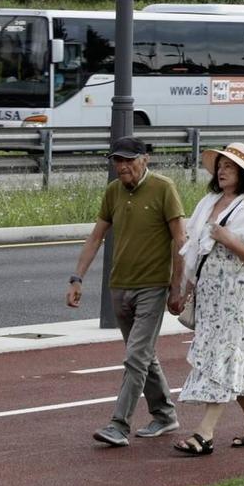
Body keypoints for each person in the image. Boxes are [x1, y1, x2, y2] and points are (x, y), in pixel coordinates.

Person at [66, 137, 187, 448]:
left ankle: (119, 424)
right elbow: (96, 237)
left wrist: (178, 287)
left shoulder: (164, 188)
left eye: (128, 160)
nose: (122, 166)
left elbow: (180, 241)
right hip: (120, 286)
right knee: (144, 356)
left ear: (144, 159)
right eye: (117, 160)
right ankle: (164, 414)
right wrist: (77, 277)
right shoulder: (113, 192)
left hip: (152, 287)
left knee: (135, 357)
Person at [169, 141, 244, 455]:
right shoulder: (209, 202)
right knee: (235, 355)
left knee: (224, 354)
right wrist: (183, 288)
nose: (222, 171)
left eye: (229, 167)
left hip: (238, 294)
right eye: (220, 166)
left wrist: (227, 238)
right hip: (212, 293)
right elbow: (194, 249)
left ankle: (205, 432)